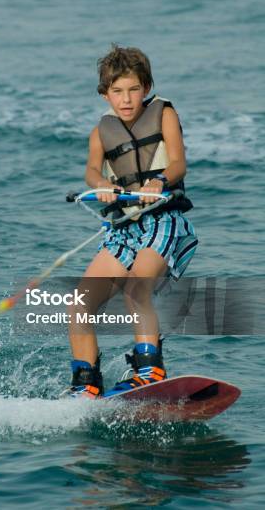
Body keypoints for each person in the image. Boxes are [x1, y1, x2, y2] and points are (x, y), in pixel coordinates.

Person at [65, 45, 198, 398]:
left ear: (146, 86)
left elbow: (179, 164)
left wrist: (160, 182)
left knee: (137, 287)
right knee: (79, 303)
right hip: (125, 230)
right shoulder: (101, 132)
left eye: (134, 89)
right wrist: (102, 186)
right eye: (117, 92)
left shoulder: (164, 113)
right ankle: (87, 383)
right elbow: (92, 171)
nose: (126, 100)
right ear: (105, 93)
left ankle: (149, 369)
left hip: (162, 221)